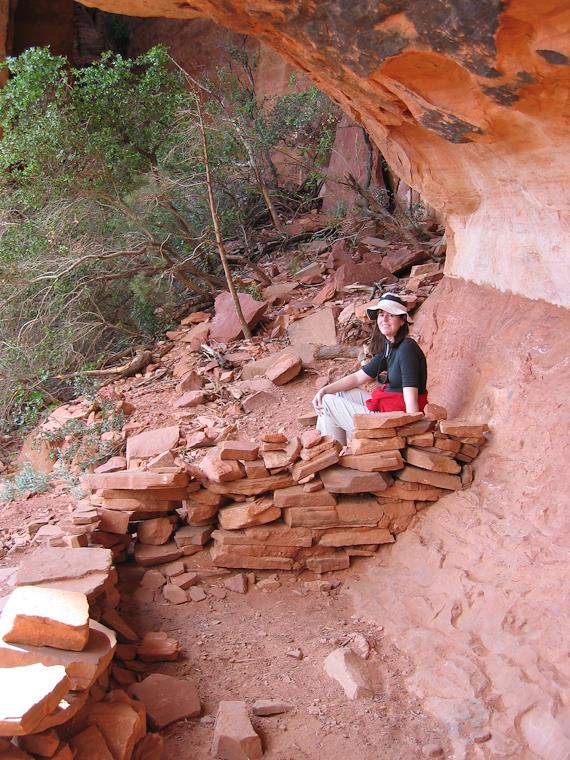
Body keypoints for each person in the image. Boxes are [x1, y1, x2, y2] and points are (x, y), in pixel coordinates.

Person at [312, 292, 428, 445]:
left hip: (395, 421)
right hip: (388, 409)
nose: (384, 319)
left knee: (327, 403)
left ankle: (330, 450)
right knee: (338, 393)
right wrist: (324, 390)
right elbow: (358, 378)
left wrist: (413, 437)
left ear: (402, 321)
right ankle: (333, 447)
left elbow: (411, 397)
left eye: (391, 315)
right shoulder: (391, 347)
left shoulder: (407, 348)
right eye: (381, 314)